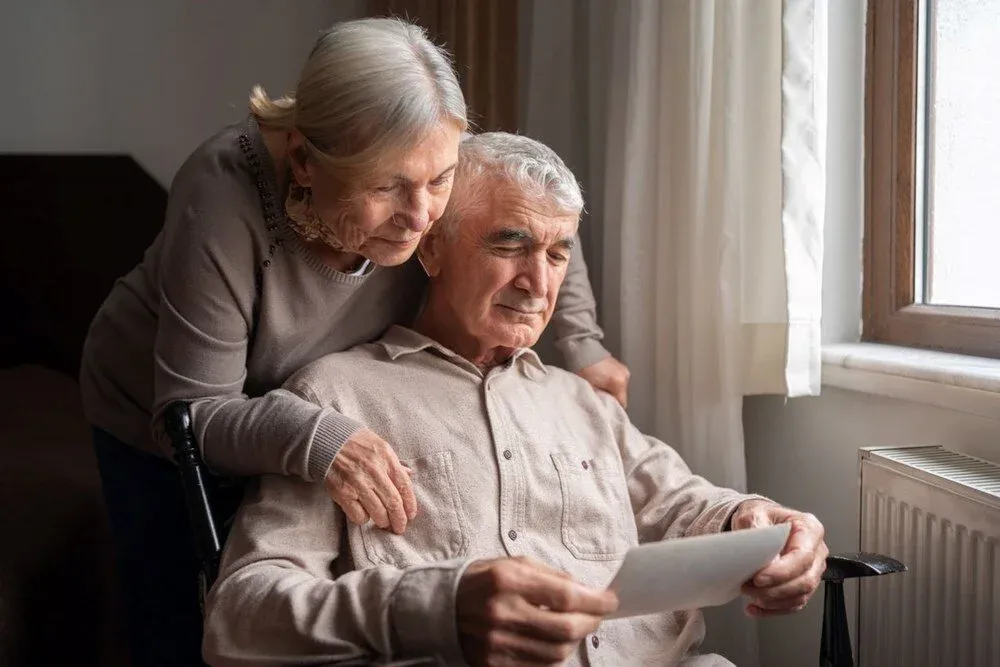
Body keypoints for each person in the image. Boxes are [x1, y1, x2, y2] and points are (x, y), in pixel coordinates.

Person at [79, 19, 628, 667]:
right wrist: (321, 437)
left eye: (439, 181)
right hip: (163, 409)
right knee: (178, 615)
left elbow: (536, 208)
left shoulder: (425, 143)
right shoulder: (223, 190)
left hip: (303, 384)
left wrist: (584, 344)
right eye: (388, 185)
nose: (422, 214)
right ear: (307, 161)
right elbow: (193, 416)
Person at [202, 132, 828, 667]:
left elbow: (684, 502)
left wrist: (759, 520)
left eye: (556, 254)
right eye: (508, 243)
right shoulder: (334, 399)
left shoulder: (583, 405)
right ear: (432, 246)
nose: (537, 283)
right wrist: (434, 608)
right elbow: (239, 615)